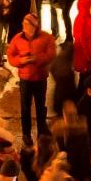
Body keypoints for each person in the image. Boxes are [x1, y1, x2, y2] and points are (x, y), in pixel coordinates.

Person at [7, 13, 56, 150]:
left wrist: (36, 59)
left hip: (40, 78)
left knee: (40, 106)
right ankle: (26, 134)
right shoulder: (17, 38)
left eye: (27, 24)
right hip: (25, 79)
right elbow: (11, 55)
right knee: (25, 107)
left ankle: (41, 131)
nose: (24, 26)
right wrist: (20, 61)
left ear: (34, 26)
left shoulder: (46, 37)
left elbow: (51, 54)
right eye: (24, 24)